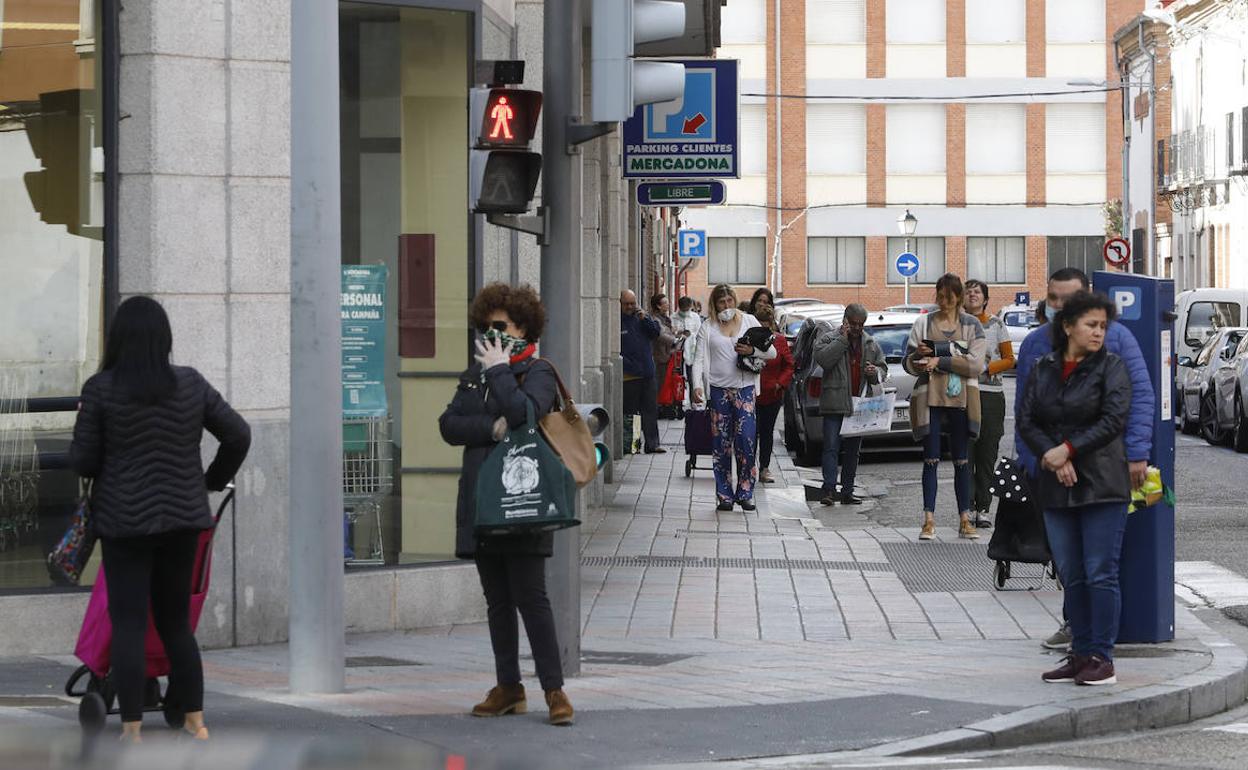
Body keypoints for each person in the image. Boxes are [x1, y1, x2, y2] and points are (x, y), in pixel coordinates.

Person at [69, 296, 251, 744]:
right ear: (164, 339)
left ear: (118, 340)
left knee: (128, 623)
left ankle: (131, 726)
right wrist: (210, 480)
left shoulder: (101, 388)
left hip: (124, 525)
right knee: (175, 623)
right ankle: (195, 718)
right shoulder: (190, 384)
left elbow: (84, 461)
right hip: (183, 520)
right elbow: (238, 433)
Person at [438, 282, 575, 726]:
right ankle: (509, 686)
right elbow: (450, 424)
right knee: (497, 600)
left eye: (500, 326)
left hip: (524, 502)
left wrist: (499, 374)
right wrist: (491, 429)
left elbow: (523, 414)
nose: (491, 334)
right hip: (483, 502)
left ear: (522, 327)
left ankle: (554, 690)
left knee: (531, 598)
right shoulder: (476, 372)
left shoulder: (536, 371)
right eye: (486, 326)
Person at [1014, 268, 1154, 652]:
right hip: (1051, 472)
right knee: (1070, 567)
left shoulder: (1115, 343)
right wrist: (1039, 459)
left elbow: (1134, 401)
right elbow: (1025, 414)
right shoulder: (1036, 348)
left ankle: (1098, 650)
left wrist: (1137, 453)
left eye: (1069, 299)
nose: (1060, 307)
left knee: (1100, 567)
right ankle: (1078, 635)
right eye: (1054, 299)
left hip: (1102, 470)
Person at [904, 274, 988, 541]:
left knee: (962, 459)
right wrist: (919, 357)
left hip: (962, 399)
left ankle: (965, 518)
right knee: (930, 458)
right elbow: (908, 362)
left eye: (949, 297)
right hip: (930, 398)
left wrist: (938, 360)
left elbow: (976, 364)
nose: (943, 302)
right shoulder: (923, 322)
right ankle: (928, 519)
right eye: (939, 296)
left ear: (958, 297)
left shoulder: (972, 324)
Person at [691, 284, 777, 511]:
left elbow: (772, 351)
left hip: (745, 389)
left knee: (747, 440)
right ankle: (724, 495)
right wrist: (697, 386)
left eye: (730, 300)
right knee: (721, 445)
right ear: (714, 304)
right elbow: (698, 359)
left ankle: (746, 491)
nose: (726, 306)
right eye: (722, 302)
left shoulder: (749, 321)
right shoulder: (707, 327)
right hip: (719, 391)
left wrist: (752, 352)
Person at [812, 303, 886, 506]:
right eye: (854, 324)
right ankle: (828, 490)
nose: (858, 328)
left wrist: (874, 373)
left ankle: (847, 491)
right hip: (835, 403)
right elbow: (823, 360)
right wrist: (843, 340)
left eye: (861, 324)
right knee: (831, 448)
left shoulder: (870, 343)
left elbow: (883, 368)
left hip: (858, 404)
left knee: (853, 451)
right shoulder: (829, 337)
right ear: (845, 321)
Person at [963, 279, 1016, 528]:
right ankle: (966, 507)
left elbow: (1009, 359)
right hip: (963, 394)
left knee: (987, 453)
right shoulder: (956, 324)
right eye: (968, 292)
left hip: (991, 395)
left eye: (977, 292)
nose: (972, 295)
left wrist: (988, 367)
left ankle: (983, 508)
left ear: (985, 299)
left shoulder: (996, 324)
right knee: (965, 454)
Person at [752, 304, 795, 484]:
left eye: (765, 325)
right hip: (752, 393)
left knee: (767, 432)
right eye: (758, 324)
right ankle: (748, 467)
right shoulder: (749, 338)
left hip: (772, 393)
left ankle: (764, 468)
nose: (762, 328)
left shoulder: (778, 340)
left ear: (771, 324)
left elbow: (789, 364)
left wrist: (780, 383)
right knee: (750, 432)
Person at [620, 289, 666, 454]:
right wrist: (628, 365)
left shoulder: (641, 319)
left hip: (647, 372)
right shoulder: (618, 322)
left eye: (632, 303)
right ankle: (633, 445)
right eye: (626, 304)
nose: (630, 307)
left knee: (650, 409)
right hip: (630, 374)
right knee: (632, 412)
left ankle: (653, 444)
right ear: (620, 304)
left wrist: (646, 318)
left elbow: (656, 333)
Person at [650, 293, 679, 416]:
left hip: (668, 354)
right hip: (659, 355)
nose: (668, 305)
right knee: (658, 383)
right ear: (658, 306)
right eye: (665, 303)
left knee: (664, 383)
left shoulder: (666, 318)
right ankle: (656, 408)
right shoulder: (655, 319)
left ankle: (662, 406)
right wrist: (674, 340)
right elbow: (660, 335)